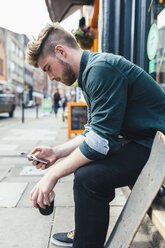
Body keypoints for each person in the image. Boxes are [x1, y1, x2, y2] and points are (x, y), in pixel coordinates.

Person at [26, 22, 165, 248]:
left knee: (88, 178)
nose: (50, 77)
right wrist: (56, 152)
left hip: (158, 148)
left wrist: (51, 176)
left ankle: (85, 239)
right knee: (86, 173)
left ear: (60, 52)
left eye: (47, 68)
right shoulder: (91, 71)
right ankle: (85, 233)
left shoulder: (101, 70)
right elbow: (94, 131)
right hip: (145, 144)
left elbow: (100, 143)